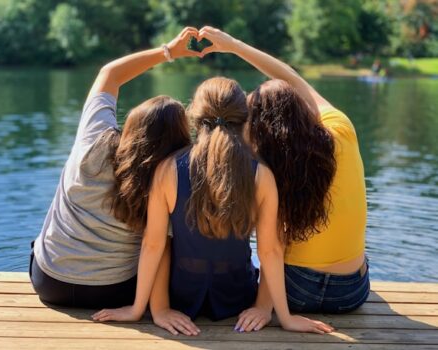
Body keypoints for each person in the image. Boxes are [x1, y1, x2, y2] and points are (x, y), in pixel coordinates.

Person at [93, 74, 334, 336]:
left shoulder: (167, 169)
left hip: (180, 297)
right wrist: (278, 314)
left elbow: (154, 244)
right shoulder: (262, 174)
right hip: (237, 297)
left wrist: (143, 309)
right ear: (245, 118)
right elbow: (271, 251)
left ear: (195, 117)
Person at [196, 27, 369, 325]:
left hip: (294, 292)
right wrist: (235, 45)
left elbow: (272, 246)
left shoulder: (268, 169)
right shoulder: (341, 130)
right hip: (351, 293)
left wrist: (264, 307)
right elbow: (292, 77)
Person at [30, 27, 200, 309]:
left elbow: (109, 74)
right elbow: (159, 247)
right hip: (116, 292)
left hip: (50, 282)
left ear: (132, 123)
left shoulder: (93, 138)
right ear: (179, 141)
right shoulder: (169, 176)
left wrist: (168, 51)